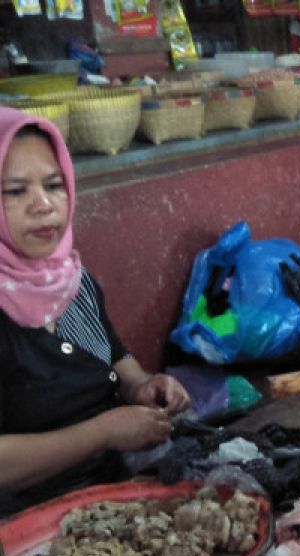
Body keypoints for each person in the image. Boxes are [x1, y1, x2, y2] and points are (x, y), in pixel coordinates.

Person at [0, 108, 190, 516]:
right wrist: (103, 432)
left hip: (113, 489)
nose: (43, 204)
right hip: (26, 521)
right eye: (14, 192)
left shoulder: (70, 278)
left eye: (54, 185)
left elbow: (115, 357)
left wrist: (143, 386)